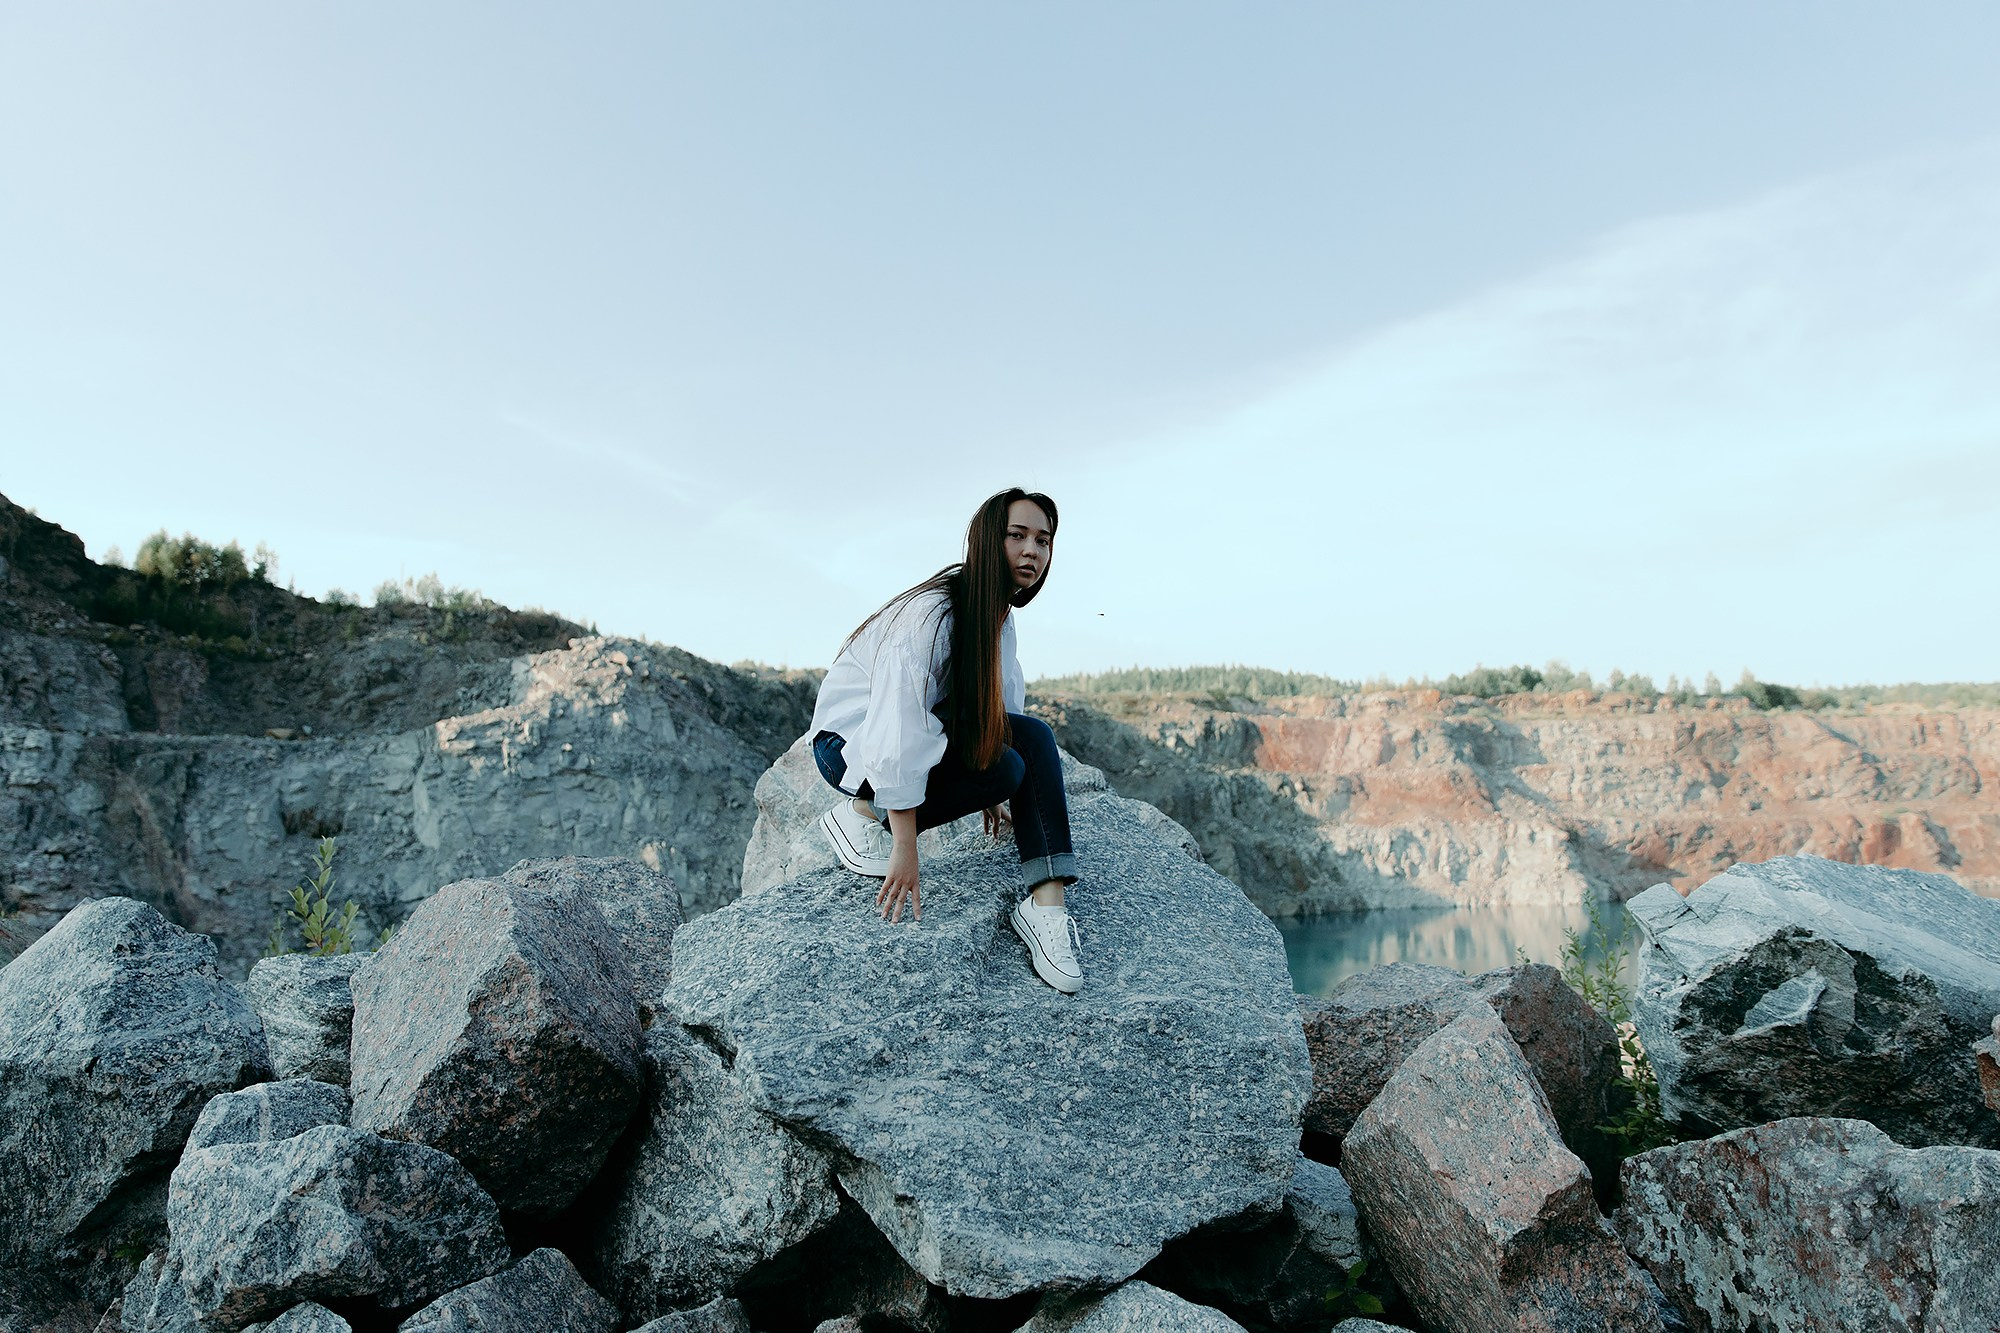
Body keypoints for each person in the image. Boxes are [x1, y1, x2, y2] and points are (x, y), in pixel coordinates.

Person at [806, 487, 1082, 993]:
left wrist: (988, 782)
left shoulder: (997, 615)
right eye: (1017, 536)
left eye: (1043, 541)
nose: (1032, 552)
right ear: (986, 541)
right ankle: (861, 815)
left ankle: (1047, 908)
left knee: (1024, 749)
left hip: (918, 731)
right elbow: (897, 728)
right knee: (1007, 763)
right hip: (847, 744)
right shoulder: (934, 615)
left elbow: (1004, 711)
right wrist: (906, 845)